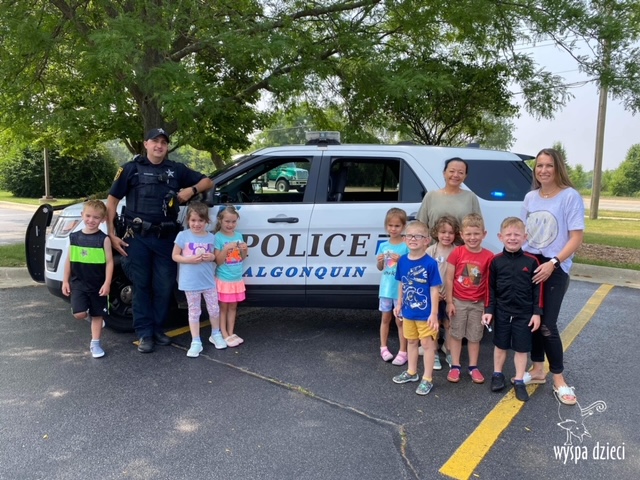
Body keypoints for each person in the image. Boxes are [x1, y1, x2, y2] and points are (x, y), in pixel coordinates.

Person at [106, 128, 213, 353]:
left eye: (163, 142)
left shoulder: (176, 169)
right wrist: (111, 234)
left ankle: (157, 329)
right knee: (141, 286)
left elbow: (208, 182)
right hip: (138, 238)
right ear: (145, 144)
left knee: (164, 287)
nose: (159, 146)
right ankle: (144, 333)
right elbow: (112, 201)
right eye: (155, 141)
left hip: (166, 239)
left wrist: (190, 190)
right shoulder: (130, 169)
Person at [521, 148, 584, 406]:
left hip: (555, 265)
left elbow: (576, 238)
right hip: (531, 262)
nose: (543, 170)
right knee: (533, 321)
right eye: (539, 165)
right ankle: (537, 369)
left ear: (558, 167)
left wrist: (554, 263)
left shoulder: (569, 196)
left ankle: (559, 378)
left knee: (547, 323)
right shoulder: (530, 197)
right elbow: (525, 233)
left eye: (549, 165)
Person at [482, 217, 542, 402]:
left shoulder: (532, 261)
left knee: (521, 349)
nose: (513, 238)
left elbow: (538, 290)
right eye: (508, 234)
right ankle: (497, 374)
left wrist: (537, 313)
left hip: (524, 314)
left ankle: (519, 380)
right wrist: (489, 310)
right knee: (500, 346)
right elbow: (490, 288)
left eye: (517, 235)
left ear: (525, 237)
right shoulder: (495, 261)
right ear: (500, 237)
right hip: (502, 312)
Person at [391, 221, 442, 396]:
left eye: (418, 236)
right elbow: (401, 284)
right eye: (409, 236)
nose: (413, 239)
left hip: (426, 314)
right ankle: (412, 372)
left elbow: (434, 289)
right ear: (404, 239)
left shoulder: (430, 263)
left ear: (426, 240)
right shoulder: (402, 261)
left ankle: (427, 378)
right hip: (408, 312)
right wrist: (399, 304)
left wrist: (434, 314)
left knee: (427, 345)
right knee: (411, 341)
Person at [445, 213, 494, 384]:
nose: (472, 238)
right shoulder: (457, 253)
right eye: (468, 234)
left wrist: (487, 307)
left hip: (478, 304)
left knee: (475, 336)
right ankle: (455, 365)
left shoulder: (489, 256)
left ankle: (473, 367)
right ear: (462, 235)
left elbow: (490, 284)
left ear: (484, 234)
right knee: (456, 334)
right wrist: (449, 302)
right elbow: (449, 278)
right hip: (458, 302)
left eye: (476, 234)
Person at [172, 202, 226, 358]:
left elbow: (216, 257)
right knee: (194, 311)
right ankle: (195, 341)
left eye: (200, 220)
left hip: (208, 281)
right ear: (188, 220)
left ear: (207, 221)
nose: (197, 224)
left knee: (214, 309)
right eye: (193, 220)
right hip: (190, 282)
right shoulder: (183, 235)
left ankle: (215, 334)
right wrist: (189, 260)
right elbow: (175, 256)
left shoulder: (212, 237)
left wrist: (212, 257)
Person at [62, 200, 114, 358]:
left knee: (97, 315)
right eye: (88, 216)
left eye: (96, 217)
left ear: (103, 219)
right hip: (79, 283)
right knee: (79, 314)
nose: (91, 220)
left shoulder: (104, 239)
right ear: (82, 215)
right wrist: (65, 280)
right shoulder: (74, 237)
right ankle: (93, 317)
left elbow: (109, 262)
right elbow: (68, 260)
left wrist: (107, 283)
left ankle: (95, 343)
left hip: (98, 285)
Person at [375, 208, 410, 365]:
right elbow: (380, 268)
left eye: (397, 226)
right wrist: (380, 261)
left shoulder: (406, 245)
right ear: (386, 226)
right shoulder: (383, 245)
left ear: (403, 226)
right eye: (390, 225)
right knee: (385, 318)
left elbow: (409, 267)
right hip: (386, 289)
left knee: (400, 321)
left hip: (400, 290)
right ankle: (383, 347)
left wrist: (401, 259)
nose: (393, 229)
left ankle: (403, 351)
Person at [426, 215, 460, 371]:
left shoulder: (458, 251)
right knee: (434, 324)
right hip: (434, 295)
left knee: (449, 324)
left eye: (451, 232)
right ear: (436, 233)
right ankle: (433, 353)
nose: (447, 236)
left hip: (451, 295)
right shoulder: (430, 251)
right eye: (443, 232)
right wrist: (434, 293)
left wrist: (450, 295)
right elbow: (425, 274)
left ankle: (449, 350)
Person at [417, 157, 482, 237]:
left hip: (461, 244)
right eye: (452, 171)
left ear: (465, 176)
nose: (455, 175)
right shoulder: (431, 196)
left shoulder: (470, 197)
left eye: (460, 172)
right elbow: (421, 225)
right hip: (435, 244)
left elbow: (478, 225)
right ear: (444, 173)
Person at [214, 205, 248, 348]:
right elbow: (218, 260)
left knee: (233, 307)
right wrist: (227, 248)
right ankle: (224, 333)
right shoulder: (218, 237)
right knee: (223, 307)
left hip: (236, 279)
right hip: (224, 279)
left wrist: (245, 249)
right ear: (220, 221)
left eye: (233, 221)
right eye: (227, 221)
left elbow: (242, 258)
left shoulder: (238, 236)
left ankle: (231, 332)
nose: (230, 224)